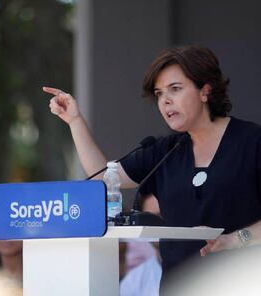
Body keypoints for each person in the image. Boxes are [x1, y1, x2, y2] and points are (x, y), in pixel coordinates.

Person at [43, 45, 261, 280]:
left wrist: (237, 239)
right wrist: (75, 120)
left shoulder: (252, 142)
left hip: (243, 291)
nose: (165, 101)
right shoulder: (164, 150)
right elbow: (104, 177)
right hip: (178, 294)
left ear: (205, 91)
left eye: (175, 89)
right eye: (159, 94)